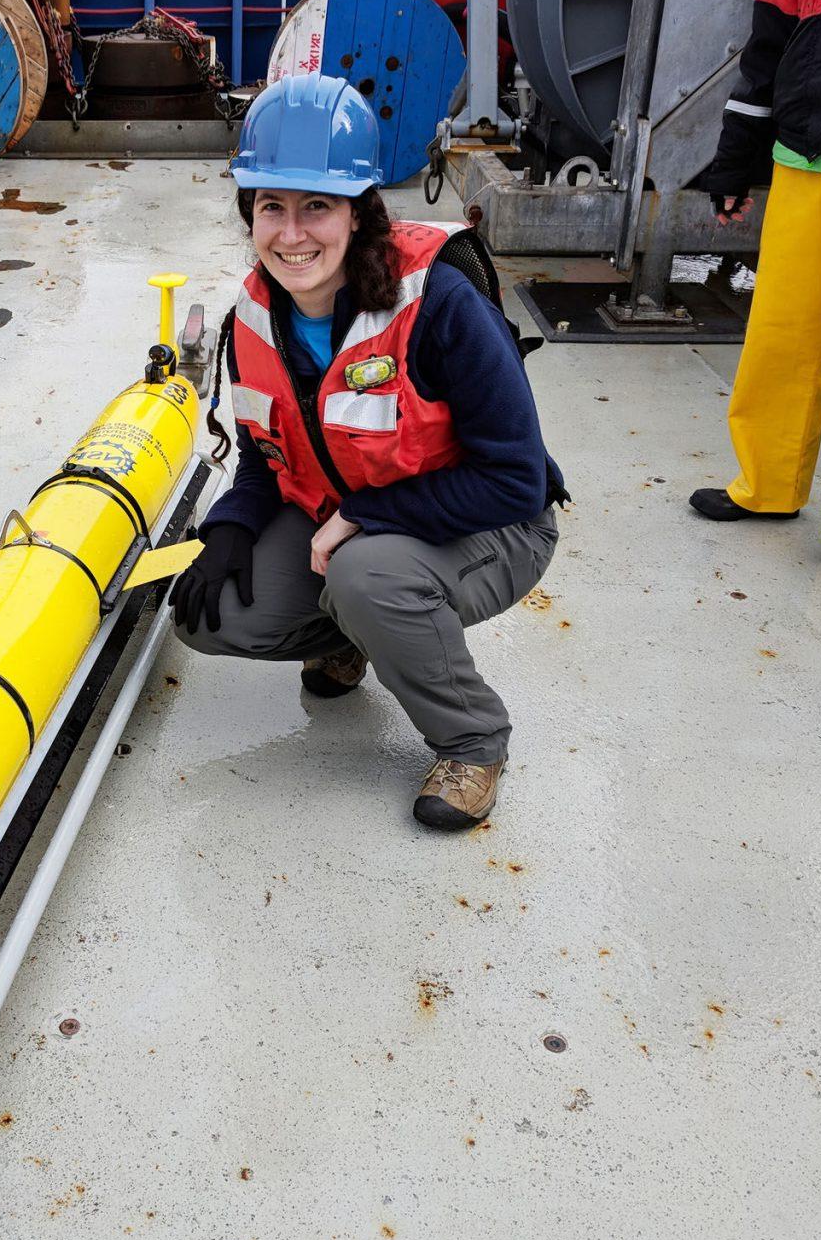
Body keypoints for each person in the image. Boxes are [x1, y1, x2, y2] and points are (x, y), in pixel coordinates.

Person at [171, 73, 567, 830]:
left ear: (359, 213)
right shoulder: (256, 315)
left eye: (317, 206)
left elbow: (516, 482)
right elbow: (265, 450)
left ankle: (473, 740)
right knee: (210, 613)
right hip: (355, 516)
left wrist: (364, 514)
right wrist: (229, 528)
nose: (293, 234)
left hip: (494, 526)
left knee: (366, 577)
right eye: (272, 208)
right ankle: (358, 638)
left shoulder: (438, 305)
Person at [694, 0, 821, 541]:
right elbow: (771, 39)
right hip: (806, 159)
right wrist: (734, 160)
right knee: (784, 333)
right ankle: (769, 485)